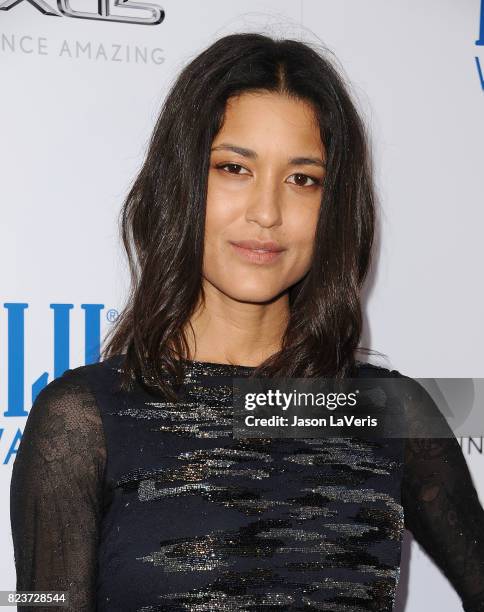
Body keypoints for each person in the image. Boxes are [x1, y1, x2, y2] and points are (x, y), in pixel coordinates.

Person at [10, 32, 484, 611]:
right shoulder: (82, 419)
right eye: (235, 168)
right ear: (181, 183)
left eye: (302, 179)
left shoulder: (392, 411)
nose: (267, 212)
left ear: (333, 208)